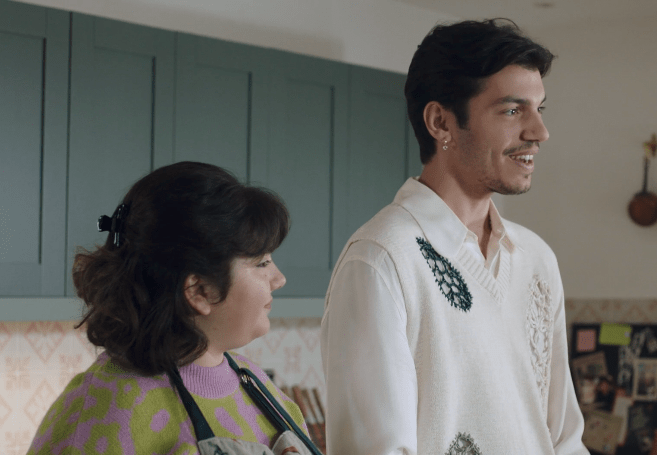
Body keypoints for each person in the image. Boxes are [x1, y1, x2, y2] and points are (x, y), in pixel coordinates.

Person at [320, 19, 589, 454]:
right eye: (512, 110)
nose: (539, 132)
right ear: (440, 122)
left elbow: (564, 440)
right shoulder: (381, 260)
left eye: (540, 109)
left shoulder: (536, 258)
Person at [28, 161, 321, 454]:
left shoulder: (258, 386)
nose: (279, 279)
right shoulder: (104, 412)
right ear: (199, 291)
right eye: (262, 263)